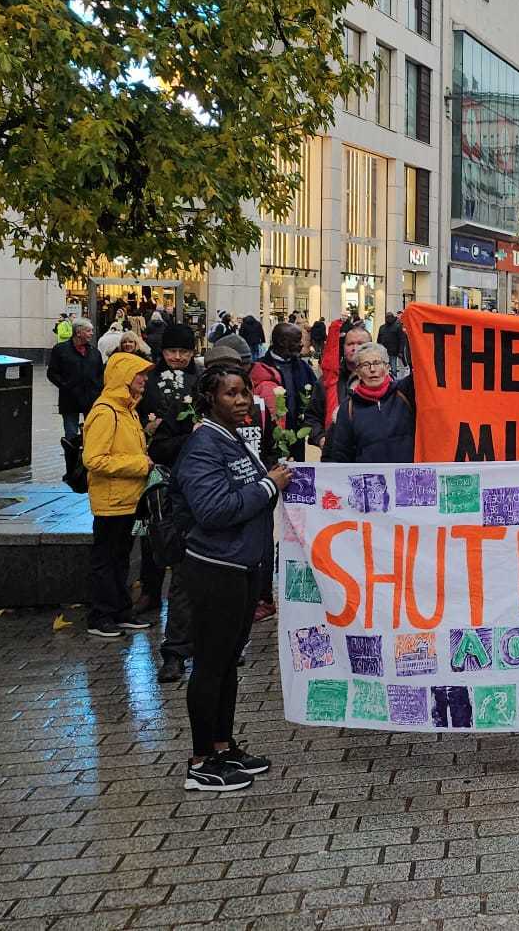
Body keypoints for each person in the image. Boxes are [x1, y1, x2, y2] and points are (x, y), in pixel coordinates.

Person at [173, 363, 290, 792]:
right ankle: (201, 760)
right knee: (210, 665)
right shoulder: (204, 446)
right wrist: (269, 486)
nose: (242, 401)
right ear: (210, 400)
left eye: (244, 393)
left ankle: (223, 746)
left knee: (227, 663)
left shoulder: (232, 439)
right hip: (215, 569)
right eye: (231, 394)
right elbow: (215, 510)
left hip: (241, 566)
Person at [83, 352, 158, 639]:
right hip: (111, 501)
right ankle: (100, 615)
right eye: (139, 374)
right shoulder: (106, 412)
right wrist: (140, 465)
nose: (144, 379)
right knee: (107, 559)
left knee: (121, 558)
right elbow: (95, 459)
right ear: (123, 377)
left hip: (127, 499)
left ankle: (119, 611)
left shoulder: (127, 409)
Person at [140, 323, 202, 651]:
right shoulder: (149, 380)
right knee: (154, 530)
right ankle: (149, 590)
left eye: (183, 352)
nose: (177, 358)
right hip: (157, 465)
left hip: (188, 467)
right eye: (171, 352)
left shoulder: (200, 379)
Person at [323, 341, 416, 464]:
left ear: (387, 368)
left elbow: (420, 363)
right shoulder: (348, 408)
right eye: (366, 365)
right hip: (370, 480)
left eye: (377, 363)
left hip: (404, 479)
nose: (372, 369)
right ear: (358, 373)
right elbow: (340, 454)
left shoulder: (404, 392)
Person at [249, 323, 321, 463]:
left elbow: (315, 397)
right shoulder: (260, 368)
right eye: (296, 340)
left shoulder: (303, 368)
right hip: (269, 439)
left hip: (297, 437)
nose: (301, 344)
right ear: (282, 341)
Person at [47, 319, 103, 442]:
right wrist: (66, 386)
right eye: (88, 331)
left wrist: (97, 389)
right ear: (78, 332)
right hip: (70, 399)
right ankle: (71, 458)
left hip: (91, 399)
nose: (92, 333)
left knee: (92, 432)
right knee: (71, 433)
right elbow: (52, 373)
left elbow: (100, 374)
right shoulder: (60, 349)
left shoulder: (94, 352)